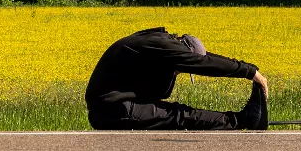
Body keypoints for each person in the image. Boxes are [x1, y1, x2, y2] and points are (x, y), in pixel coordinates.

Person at [84, 27, 268, 130]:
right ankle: (242, 121)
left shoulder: (160, 44)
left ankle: (239, 120)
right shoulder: (161, 45)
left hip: (112, 110)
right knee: (181, 115)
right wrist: (250, 73)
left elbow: (205, 58)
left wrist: (249, 69)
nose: (179, 73)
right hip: (113, 112)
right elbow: (202, 63)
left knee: (178, 113)